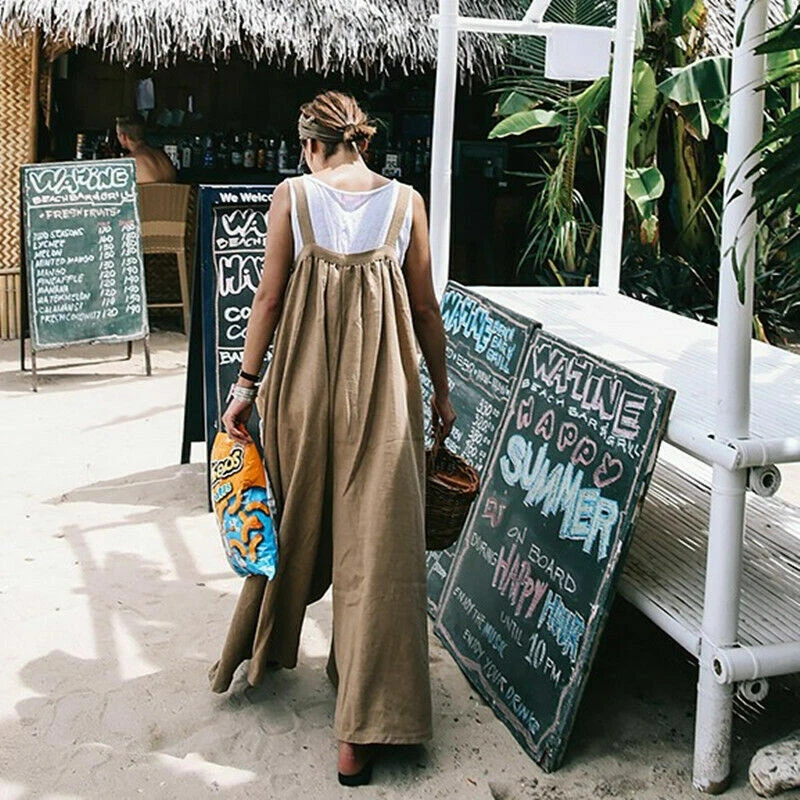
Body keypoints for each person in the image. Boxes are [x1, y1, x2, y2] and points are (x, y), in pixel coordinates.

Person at [210, 90, 456, 786]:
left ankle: (257, 651)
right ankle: (362, 729)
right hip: (386, 397)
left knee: (293, 518)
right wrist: (441, 391)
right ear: (363, 142)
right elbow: (426, 307)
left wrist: (245, 387)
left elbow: (269, 296)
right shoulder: (407, 202)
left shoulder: (293, 195)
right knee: (378, 546)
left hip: (304, 391)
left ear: (311, 145)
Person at [115, 113, 176, 184]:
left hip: (149, 195)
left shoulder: (128, 163)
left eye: (118, 134)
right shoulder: (162, 156)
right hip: (171, 194)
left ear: (123, 137)